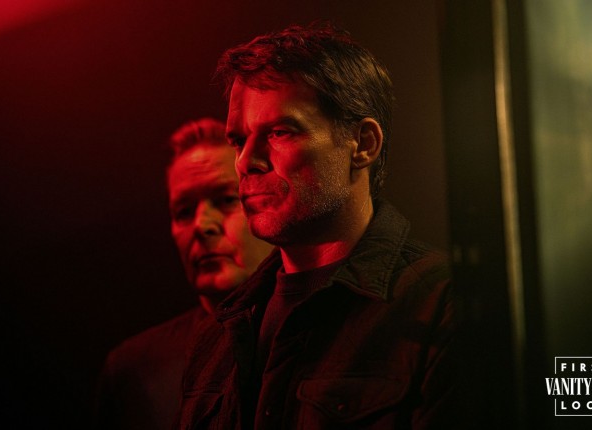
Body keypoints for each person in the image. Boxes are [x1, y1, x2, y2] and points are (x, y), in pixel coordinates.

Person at [178, 22, 457, 429]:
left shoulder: (443, 306)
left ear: (363, 144)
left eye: (279, 132)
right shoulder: (220, 334)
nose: (246, 161)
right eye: (238, 140)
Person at [94, 118, 273, 430]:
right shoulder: (134, 370)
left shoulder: (322, 336)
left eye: (227, 199)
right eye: (184, 212)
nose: (202, 225)